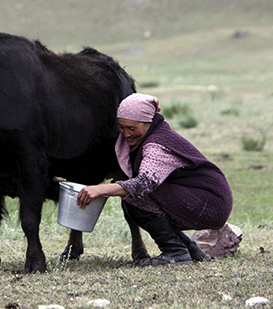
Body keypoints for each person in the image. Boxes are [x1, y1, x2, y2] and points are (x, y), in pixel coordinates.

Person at [76, 93, 233, 266]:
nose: (126, 134)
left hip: (210, 203)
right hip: (206, 198)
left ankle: (175, 253)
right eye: (121, 127)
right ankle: (191, 250)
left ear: (148, 123)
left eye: (131, 128)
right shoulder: (154, 131)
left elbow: (143, 184)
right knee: (130, 197)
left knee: (136, 197)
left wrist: (100, 189)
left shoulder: (156, 146)